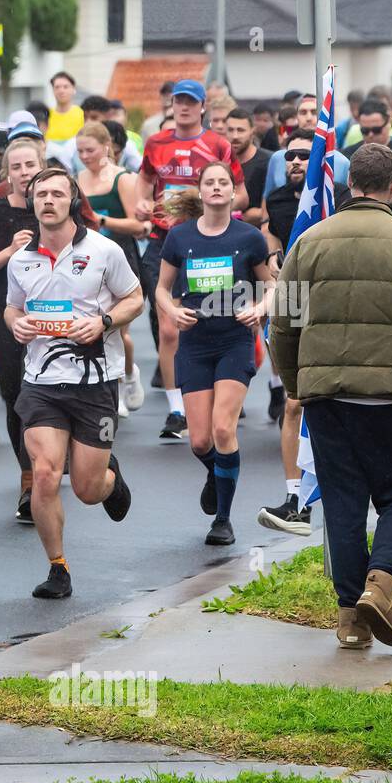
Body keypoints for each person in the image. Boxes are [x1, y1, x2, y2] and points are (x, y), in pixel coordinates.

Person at [269, 143, 392, 651]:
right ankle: (383, 583)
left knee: (344, 502)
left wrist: (294, 383)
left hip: (328, 400)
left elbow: (283, 320)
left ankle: (351, 618)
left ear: (349, 183)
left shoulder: (308, 241)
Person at [5, 168, 140, 599]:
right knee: (44, 474)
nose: (48, 200)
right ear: (32, 203)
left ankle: (109, 479)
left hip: (95, 382)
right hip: (41, 381)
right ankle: (57, 567)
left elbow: (134, 299)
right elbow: (10, 308)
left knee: (85, 488)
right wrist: (17, 325)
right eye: (40, 194)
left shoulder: (103, 251)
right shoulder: (20, 259)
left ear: (72, 200)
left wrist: (102, 322)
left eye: (57, 193)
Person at [155, 166, 274, 545]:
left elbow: (272, 283)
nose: (218, 188)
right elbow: (160, 289)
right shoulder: (180, 236)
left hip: (235, 340)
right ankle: (217, 470)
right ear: (201, 191)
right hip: (194, 343)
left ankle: (222, 519)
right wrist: (173, 313)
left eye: (224, 182)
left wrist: (260, 309)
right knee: (201, 441)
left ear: (233, 191)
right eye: (211, 183)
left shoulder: (249, 237)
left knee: (224, 428)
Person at [135, 79, 246, 441]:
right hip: (163, 239)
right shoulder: (156, 142)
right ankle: (176, 409)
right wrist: (141, 202)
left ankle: (215, 391)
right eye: (178, 101)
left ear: (202, 107)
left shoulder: (217, 144)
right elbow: (144, 179)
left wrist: (207, 205)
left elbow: (241, 194)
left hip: (206, 241)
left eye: (190, 102)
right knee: (168, 327)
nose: (183, 107)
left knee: (206, 319)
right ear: (172, 105)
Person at [256, 129, 350, 535]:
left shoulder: (338, 194)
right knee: (295, 404)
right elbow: (271, 240)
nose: (297, 162)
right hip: (294, 301)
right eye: (290, 156)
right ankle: (296, 499)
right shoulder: (276, 199)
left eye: (304, 156)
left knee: (350, 403)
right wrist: (274, 262)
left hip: (337, 307)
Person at [0, 137, 45, 521]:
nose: (23, 172)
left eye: (30, 164)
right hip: (5, 309)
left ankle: (57, 455)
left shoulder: (56, 203)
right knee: (16, 392)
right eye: (15, 167)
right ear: (7, 173)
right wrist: (9, 252)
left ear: (41, 165)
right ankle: (28, 478)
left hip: (55, 311)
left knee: (54, 387)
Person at [75, 122, 149, 419]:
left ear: (107, 147)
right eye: (79, 151)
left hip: (120, 256)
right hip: (88, 261)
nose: (84, 156)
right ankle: (108, 387)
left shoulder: (123, 179)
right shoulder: (77, 178)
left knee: (117, 329)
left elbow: (138, 225)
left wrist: (100, 220)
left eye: (90, 150)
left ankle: (127, 374)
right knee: (96, 328)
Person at [263, 94, 349, 197]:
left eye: (314, 112)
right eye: (303, 112)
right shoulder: (278, 158)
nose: (308, 118)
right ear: (296, 118)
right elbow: (267, 202)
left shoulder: (341, 162)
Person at [224, 109, 272, 227]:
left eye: (240, 130)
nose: (235, 136)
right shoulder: (218, 163)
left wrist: (257, 214)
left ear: (252, 131)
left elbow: (278, 207)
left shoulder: (268, 162)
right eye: (230, 130)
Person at [46, 72, 84, 143]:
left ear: (73, 89)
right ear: (53, 90)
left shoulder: (82, 114)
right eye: (57, 87)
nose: (61, 91)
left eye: (65, 87)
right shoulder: (46, 115)